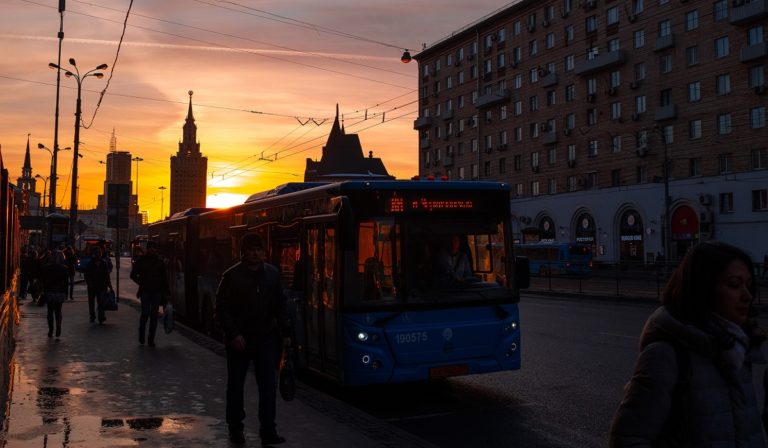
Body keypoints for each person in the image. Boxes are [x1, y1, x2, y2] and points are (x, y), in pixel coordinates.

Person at [609, 241, 766, 447]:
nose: (747, 296)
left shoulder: (738, 347)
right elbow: (627, 440)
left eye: (749, 285)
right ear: (703, 288)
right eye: (734, 285)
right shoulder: (665, 354)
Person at [216, 233, 291, 446]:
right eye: (251, 249)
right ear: (244, 252)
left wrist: (286, 334)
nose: (255, 253)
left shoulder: (272, 275)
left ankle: (268, 430)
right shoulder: (231, 276)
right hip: (239, 341)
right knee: (236, 386)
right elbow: (221, 310)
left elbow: (281, 305)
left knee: (268, 386)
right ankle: (236, 429)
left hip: (266, 338)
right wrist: (234, 335)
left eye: (258, 249)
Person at [130, 241, 169, 347]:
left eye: (154, 248)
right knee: (145, 313)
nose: (152, 250)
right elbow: (133, 275)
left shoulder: (159, 261)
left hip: (157, 292)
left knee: (154, 316)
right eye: (150, 248)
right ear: (147, 249)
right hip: (145, 291)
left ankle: (151, 339)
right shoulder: (141, 260)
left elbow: (164, 278)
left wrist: (166, 293)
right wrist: (141, 283)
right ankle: (141, 335)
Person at [40, 250, 68, 339]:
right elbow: (66, 283)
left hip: (50, 291)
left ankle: (51, 330)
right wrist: (66, 294)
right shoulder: (64, 269)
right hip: (59, 291)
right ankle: (58, 325)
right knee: (58, 311)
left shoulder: (46, 268)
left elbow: (43, 281)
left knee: (50, 311)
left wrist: (43, 290)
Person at [84, 246, 113, 324]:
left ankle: (101, 317)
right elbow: (86, 275)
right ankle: (92, 317)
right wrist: (90, 284)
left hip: (101, 286)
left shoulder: (104, 263)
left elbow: (107, 275)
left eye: (99, 253)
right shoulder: (90, 264)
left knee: (101, 302)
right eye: (97, 253)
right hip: (92, 287)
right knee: (91, 303)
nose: (98, 255)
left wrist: (110, 286)